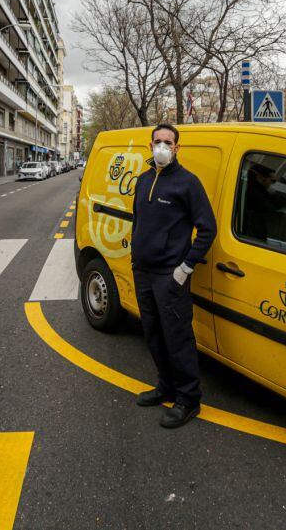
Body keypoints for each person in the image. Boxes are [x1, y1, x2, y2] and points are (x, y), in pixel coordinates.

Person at [130, 124, 216, 429]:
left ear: (177, 148)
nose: (162, 146)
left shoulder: (188, 183)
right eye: (158, 141)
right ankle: (165, 386)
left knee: (177, 338)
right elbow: (138, 222)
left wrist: (185, 267)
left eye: (168, 142)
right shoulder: (143, 180)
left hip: (171, 276)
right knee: (153, 334)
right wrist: (135, 260)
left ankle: (188, 400)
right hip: (144, 273)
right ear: (150, 145)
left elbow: (208, 229)